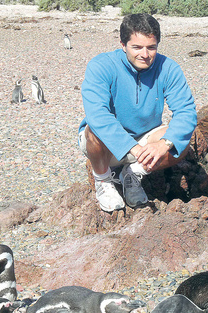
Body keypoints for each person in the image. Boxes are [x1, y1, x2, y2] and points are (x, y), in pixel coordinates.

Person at [78, 13, 197, 212]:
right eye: (137, 47)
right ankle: (103, 180)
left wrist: (164, 144)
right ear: (123, 45)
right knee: (92, 129)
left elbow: (186, 111)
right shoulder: (101, 65)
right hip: (106, 147)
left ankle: (132, 174)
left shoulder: (168, 68)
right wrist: (130, 146)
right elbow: (97, 114)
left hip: (144, 143)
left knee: (181, 142)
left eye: (151, 47)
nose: (145, 54)